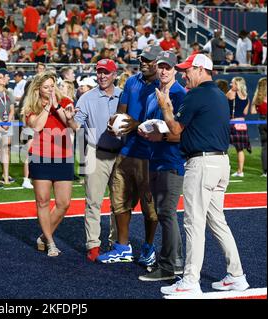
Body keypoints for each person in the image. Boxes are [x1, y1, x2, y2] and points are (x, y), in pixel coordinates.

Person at [158, 53, 249, 295]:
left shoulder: (196, 94)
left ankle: (190, 280)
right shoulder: (219, 94)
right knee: (218, 222)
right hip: (221, 163)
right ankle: (237, 275)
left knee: (194, 223)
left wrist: (165, 107)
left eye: (188, 69)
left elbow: (176, 127)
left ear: (200, 69)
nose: (184, 74)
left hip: (202, 164)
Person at [96, 45, 162, 266]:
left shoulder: (165, 86)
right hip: (126, 152)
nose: (142, 61)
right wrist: (115, 121)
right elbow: (122, 111)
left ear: (158, 62)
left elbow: (163, 125)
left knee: (150, 208)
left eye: (148, 59)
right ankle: (122, 247)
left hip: (150, 156)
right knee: (119, 203)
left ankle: (149, 247)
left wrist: (136, 124)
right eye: (141, 57)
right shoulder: (132, 82)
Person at [63, 59, 121, 261]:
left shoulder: (123, 95)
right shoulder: (86, 98)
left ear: (114, 74)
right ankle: (93, 245)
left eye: (106, 72)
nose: (102, 76)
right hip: (95, 151)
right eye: (99, 72)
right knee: (93, 202)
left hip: (121, 155)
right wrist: (70, 118)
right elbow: (76, 126)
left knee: (119, 203)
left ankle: (117, 243)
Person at [137, 51, 186, 281]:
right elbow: (151, 126)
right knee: (164, 213)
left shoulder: (180, 94)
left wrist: (160, 137)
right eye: (161, 67)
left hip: (172, 160)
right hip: (155, 159)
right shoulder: (151, 96)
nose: (164, 70)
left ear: (175, 69)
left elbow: (181, 134)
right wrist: (143, 130)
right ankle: (171, 262)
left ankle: (171, 265)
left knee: (166, 212)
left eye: (168, 67)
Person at [21, 71, 75, 257]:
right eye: (46, 87)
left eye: (53, 86)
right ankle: (51, 242)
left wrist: (57, 106)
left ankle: (44, 236)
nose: (51, 90)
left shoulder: (65, 101)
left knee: (64, 203)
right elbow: (36, 126)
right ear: (38, 89)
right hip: (40, 156)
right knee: (42, 201)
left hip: (64, 155)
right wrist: (46, 107)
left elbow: (70, 124)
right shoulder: (31, 106)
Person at [226, 77, 251, 178]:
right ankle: (240, 171)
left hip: (232, 123)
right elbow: (245, 112)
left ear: (237, 85)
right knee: (240, 150)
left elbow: (222, 101)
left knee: (223, 147)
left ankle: (225, 169)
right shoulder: (246, 97)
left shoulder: (231, 93)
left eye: (233, 83)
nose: (231, 85)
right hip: (242, 124)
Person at [250, 77, 267, 177]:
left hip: (261, 122)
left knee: (265, 147)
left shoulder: (258, 97)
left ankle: (265, 171)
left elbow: (252, 111)